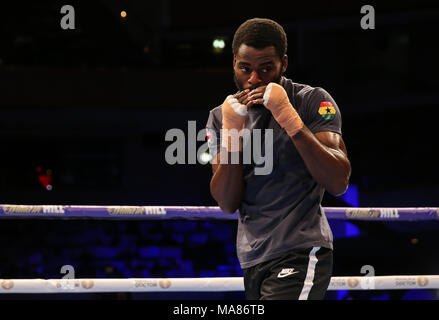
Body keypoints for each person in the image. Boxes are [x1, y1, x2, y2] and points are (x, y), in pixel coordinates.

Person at [206, 18, 351, 300]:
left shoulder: (312, 101)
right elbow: (226, 201)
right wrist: (232, 134)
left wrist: (289, 118)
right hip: (251, 259)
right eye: (245, 68)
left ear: (283, 63)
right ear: (234, 62)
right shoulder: (221, 116)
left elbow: (338, 181)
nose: (254, 79)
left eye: (266, 68)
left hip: (301, 249)